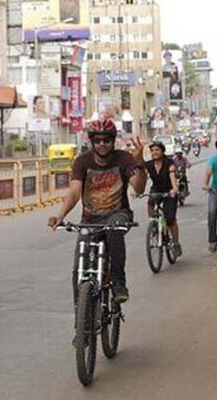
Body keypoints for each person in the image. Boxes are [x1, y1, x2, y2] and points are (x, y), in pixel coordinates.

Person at [48, 119, 147, 304]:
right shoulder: (82, 162)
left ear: (112, 140)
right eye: (98, 140)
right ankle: (81, 325)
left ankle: (119, 283)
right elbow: (75, 192)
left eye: (106, 140)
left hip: (118, 214)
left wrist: (140, 164)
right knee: (79, 268)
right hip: (90, 220)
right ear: (92, 141)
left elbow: (139, 188)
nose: (102, 144)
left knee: (114, 230)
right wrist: (61, 215)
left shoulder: (124, 158)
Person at [145, 141, 182, 257]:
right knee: (150, 204)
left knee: (170, 219)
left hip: (169, 191)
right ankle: (155, 226)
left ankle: (175, 243)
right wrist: (136, 192)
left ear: (162, 151)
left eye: (157, 150)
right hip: (156, 189)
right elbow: (142, 178)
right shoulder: (149, 165)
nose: (154, 152)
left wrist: (174, 189)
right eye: (152, 150)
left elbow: (172, 175)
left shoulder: (169, 163)